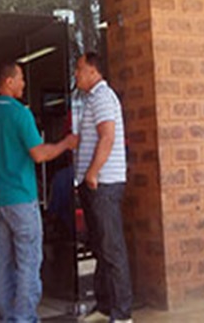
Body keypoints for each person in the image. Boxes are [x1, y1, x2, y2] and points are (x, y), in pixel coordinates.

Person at [0, 61, 77, 323]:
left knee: (3, 262)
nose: (23, 83)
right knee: (28, 261)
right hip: (21, 199)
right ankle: (23, 318)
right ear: (8, 81)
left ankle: (6, 317)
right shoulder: (21, 114)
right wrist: (66, 143)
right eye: (20, 78)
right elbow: (38, 154)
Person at [73, 52, 133, 323]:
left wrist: (93, 173)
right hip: (94, 184)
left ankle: (122, 315)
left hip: (104, 184)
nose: (76, 74)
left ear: (93, 71)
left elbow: (107, 137)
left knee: (112, 249)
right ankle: (105, 306)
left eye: (79, 69)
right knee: (100, 248)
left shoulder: (104, 97)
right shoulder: (92, 99)